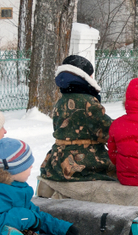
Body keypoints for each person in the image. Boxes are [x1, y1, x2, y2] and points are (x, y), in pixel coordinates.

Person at [0, 138, 83, 235]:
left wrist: (61, 227)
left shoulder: (10, 188)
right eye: (27, 165)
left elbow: (35, 215)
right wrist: (29, 218)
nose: (31, 167)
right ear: (13, 170)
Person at [38, 55, 116, 184]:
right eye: (91, 75)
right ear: (84, 77)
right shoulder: (87, 102)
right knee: (123, 170)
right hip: (82, 161)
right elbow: (107, 131)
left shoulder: (62, 100)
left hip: (56, 161)